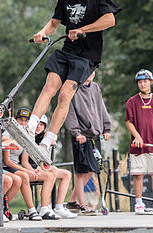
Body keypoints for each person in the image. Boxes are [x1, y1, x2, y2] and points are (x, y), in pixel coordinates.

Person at [18, 0, 120, 159]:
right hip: (67, 51)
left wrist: (83, 29)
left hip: (87, 57)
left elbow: (110, 20)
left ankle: (48, 141)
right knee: (49, 87)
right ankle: (30, 127)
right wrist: (42, 33)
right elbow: (55, 23)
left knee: (65, 95)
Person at [64, 71, 111, 215]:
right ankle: (82, 205)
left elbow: (101, 108)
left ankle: (72, 202)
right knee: (81, 171)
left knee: (92, 169)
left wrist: (106, 128)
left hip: (95, 135)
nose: (90, 73)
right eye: (87, 70)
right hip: (81, 136)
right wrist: (76, 132)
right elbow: (69, 111)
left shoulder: (95, 87)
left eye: (93, 70)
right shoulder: (73, 87)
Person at [125, 69, 153, 215]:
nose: (143, 84)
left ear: (150, 82)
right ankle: (139, 204)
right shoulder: (132, 102)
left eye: (145, 81)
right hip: (139, 146)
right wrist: (137, 136)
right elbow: (129, 122)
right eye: (140, 82)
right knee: (138, 175)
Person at [3, 108, 58, 220]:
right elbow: (7, 161)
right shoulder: (8, 133)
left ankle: (44, 208)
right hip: (6, 166)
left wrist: (33, 171)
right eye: (20, 120)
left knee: (49, 175)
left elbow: (24, 161)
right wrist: (27, 171)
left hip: (18, 166)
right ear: (15, 120)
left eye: (25, 120)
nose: (22, 123)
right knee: (23, 176)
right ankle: (32, 210)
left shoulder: (26, 135)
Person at [27, 114, 77, 219]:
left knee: (66, 174)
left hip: (40, 167)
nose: (38, 127)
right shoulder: (28, 135)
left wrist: (53, 138)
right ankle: (44, 206)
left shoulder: (44, 136)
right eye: (37, 124)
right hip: (30, 168)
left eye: (42, 125)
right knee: (51, 173)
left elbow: (53, 135)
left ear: (44, 127)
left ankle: (58, 207)